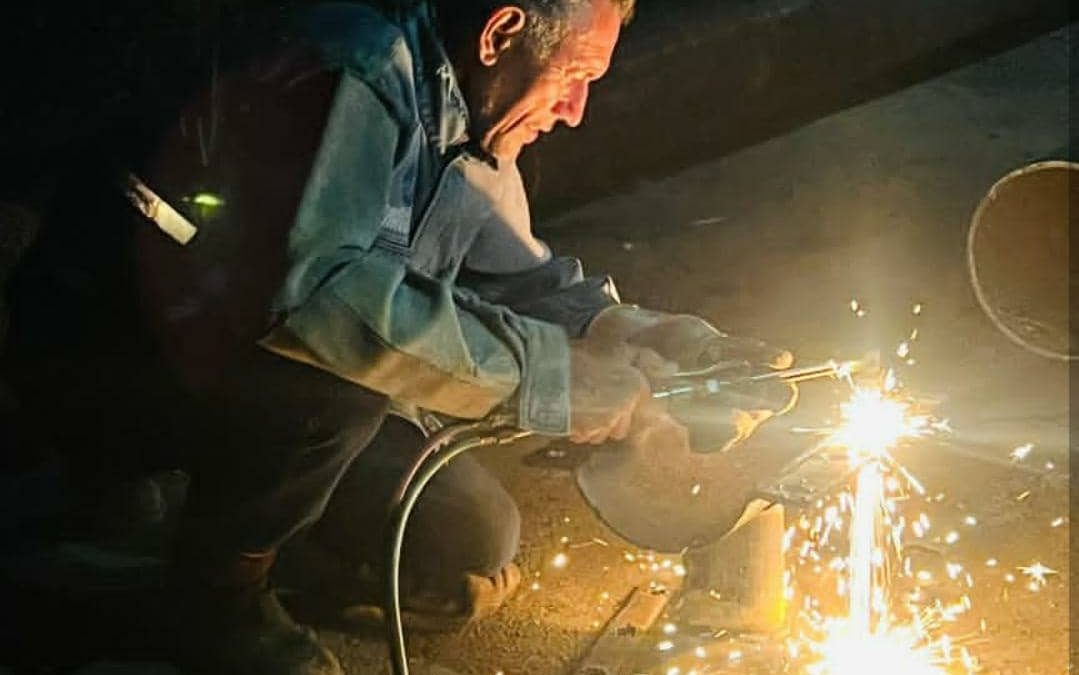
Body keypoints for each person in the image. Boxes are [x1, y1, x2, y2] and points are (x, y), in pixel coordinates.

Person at [3, 0, 795, 673]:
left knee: (465, 538)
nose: (576, 108)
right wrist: (547, 378)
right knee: (334, 389)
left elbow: (516, 274)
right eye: (575, 76)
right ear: (500, 32)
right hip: (113, 358)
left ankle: (198, 533)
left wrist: (640, 333)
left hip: (248, 374)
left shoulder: (470, 119)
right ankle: (210, 591)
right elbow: (315, 298)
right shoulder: (349, 62)